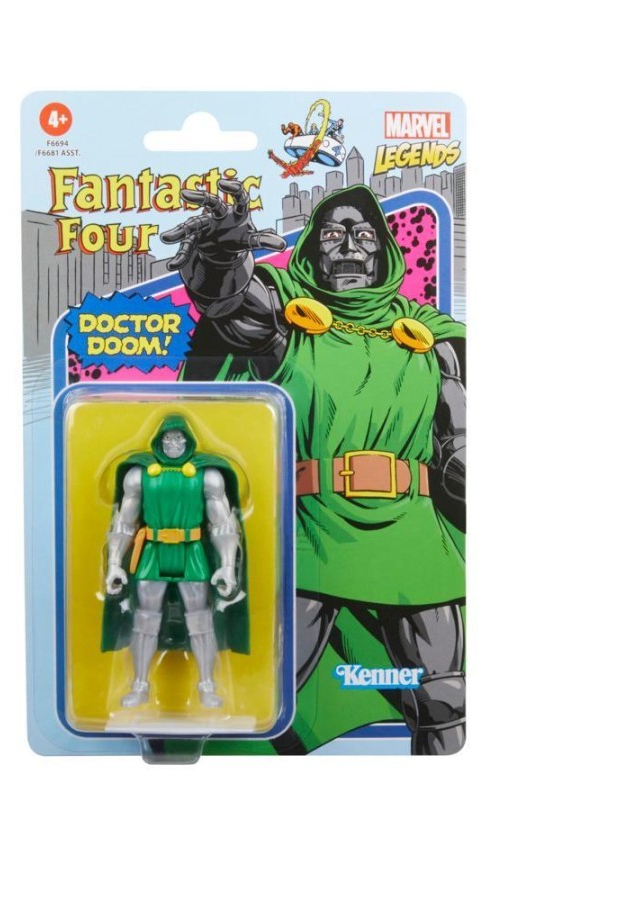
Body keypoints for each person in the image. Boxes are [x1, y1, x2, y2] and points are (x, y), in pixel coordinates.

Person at [161, 181, 465, 754]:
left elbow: (459, 445)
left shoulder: (431, 340)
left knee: (444, 699)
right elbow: (228, 302)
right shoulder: (285, 319)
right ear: (310, 250)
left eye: (363, 234)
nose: (348, 247)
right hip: (311, 531)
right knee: (250, 684)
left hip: (412, 534)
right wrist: (223, 251)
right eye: (331, 235)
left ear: (385, 250)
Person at [101, 415, 248, 709]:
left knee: (201, 620)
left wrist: (227, 566)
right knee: (144, 620)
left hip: (191, 550)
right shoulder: (138, 475)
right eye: (168, 438)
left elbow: (222, 525)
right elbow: (124, 523)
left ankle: (207, 686)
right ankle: (139, 685)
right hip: (153, 551)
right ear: (159, 441)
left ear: (188, 441)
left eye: (179, 438)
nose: (173, 443)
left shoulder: (207, 476)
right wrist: (115, 563)